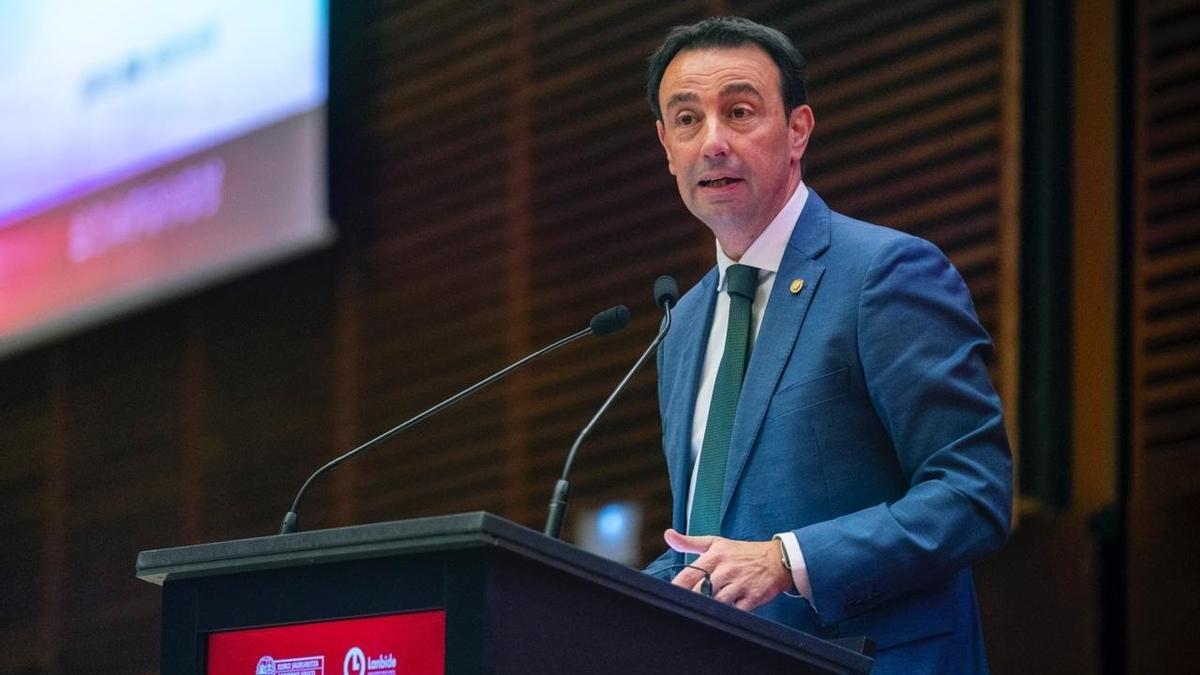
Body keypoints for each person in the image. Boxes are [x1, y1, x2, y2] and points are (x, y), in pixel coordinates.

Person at [642, 16, 1013, 673]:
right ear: (667, 146)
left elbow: (973, 493)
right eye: (688, 120)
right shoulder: (685, 321)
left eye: (739, 112)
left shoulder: (883, 273)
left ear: (798, 130)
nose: (714, 142)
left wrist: (789, 559)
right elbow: (709, 542)